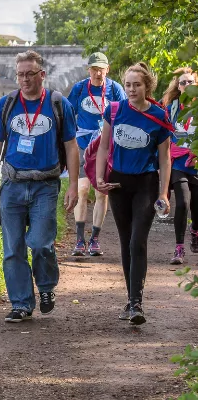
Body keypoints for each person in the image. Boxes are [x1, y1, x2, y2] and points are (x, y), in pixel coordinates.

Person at [0, 50, 79, 323]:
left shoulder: (59, 105)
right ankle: (21, 303)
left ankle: (46, 287)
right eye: (20, 74)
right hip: (12, 185)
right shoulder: (6, 105)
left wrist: (72, 185)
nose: (24, 79)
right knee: (13, 248)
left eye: (29, 74)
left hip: (45, 186)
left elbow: (71, 146)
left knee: (40, 243)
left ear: (42, 75)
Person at [96, 62, 172, 325]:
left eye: (136, 85)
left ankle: (136, 304)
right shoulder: (114, 110)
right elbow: (104, 147)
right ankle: (130, 300)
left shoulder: (159, 116)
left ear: (147, 86)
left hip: (146, 184)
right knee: (125, 239)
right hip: (118, 184)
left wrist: (164, 193)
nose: (131, 89)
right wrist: (99, 179)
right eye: (127, 85)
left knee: (137, 240)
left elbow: (165, 159)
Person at [67, 52, 126, 256]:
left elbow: (125, 114)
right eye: (94, 68)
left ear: (107, 69)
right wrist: (68, 140)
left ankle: (95, 240)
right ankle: (80, 240)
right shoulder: (80, 88)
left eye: (101, 68)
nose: (97, 72)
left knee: (101, 192)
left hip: (106, 147)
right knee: (82, 189)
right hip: (83, 145)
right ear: (89, 70)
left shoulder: (115, 89)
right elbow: (67, 114)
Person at [162, 67, 198, 265]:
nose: (186, 85)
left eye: (190, 82)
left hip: (197, 162)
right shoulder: (170, 109)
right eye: (182, 82)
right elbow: (162, 136)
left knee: (196, 207)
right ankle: (179, 247)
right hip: (178, 163)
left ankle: (195, 231)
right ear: (178, 86)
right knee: (183, 203)